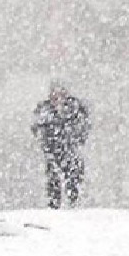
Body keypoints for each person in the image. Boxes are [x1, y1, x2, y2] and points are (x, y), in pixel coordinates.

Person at [31, 79, 91, 209]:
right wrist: (44, 143)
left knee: (74, 177)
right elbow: (36, 127)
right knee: (53, 178)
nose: (58, 97)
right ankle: (54, 206)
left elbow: (84, 127)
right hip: (52, 151)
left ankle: (74, 204)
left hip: (71, 151)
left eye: (61, 93)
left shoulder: (75, 109)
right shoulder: (45, 111)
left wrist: (75, 139)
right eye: (54, 94)